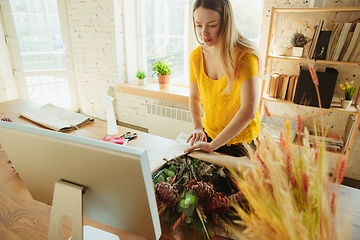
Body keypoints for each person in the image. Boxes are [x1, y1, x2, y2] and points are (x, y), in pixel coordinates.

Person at [184, 0, 262, 157]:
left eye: (212, 25)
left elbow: (249, 111)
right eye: (198, 25)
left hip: (241, 143)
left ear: (227, 23)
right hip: (209, 136)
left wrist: (213, 145)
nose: (204, 33)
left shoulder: (246, 57)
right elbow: (194, 97)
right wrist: (197, 127)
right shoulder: (196, 57)